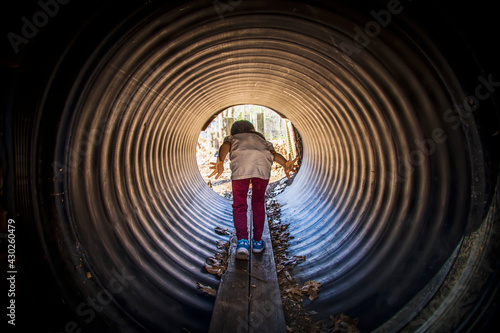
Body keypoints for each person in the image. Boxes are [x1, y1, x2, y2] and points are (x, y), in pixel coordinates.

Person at [209, 120, 297, 260]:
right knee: (258, 204)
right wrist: (285, 163)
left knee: (240, 205)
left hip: (241, 169)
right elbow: (273, 155)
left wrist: (220, 160)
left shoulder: (233, 138)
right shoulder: (261, 139)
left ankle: (242, 242)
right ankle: (257, 242)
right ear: (252, 130)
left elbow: (226, 145)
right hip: (261, 168)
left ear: (235, 131)